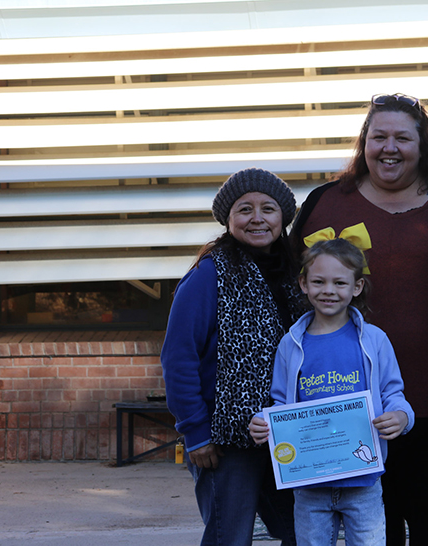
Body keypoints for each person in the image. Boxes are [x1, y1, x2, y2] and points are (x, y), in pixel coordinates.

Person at [291, 93, 428, 545]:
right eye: (379, 136)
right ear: (363, 142)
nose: (390, 148)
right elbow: (291, 287)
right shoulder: (325, 202)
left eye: (403, 138)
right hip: (344, 404)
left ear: (423, 145)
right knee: (370, 526)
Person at [161, 167, 306, 546]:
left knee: (302, 531)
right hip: (225, 441)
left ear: (283, 217)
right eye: (245, 209)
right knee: (230, 536)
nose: (257, 218)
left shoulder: (298, 275)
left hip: (288, 429)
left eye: (268, 209)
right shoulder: (208, 275)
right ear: (228, 218)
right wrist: (195, 432)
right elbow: (179, 357)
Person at [250, 237, 415, 546]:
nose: (328, 290)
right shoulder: (291, 344)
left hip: (363, 480)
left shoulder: (375, 340)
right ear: (303, 283)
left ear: (357, 287)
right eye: (319, 281)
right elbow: (281, 402)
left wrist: (402, 416)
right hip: (309, 482)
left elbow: (394, 392)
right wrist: (265, 422)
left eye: (340, 282)